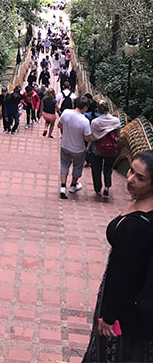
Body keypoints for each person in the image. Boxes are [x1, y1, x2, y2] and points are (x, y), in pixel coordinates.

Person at [82, 150, 153, 362]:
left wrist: (110, 315)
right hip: (125, 295)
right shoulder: (142, 202)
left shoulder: (138, 226)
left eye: (140, 178)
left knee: (113, 352)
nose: (130, 179)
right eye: (131, 171)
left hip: (124, 304)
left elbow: (124, 276)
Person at [59, 96, 92, 199]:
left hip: (65, 145)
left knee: (64, 164)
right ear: (85, 108)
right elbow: (87, 138)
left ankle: (63, 187)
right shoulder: (85, 121)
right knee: (77, 167)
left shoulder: (66, 113)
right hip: (78, 149)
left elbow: (59, 126)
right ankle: (73, 185)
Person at [89, 103, 122, 198]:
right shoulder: (115, 120)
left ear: (98, 110)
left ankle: (98, 189)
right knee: (108, 169)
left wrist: (88, 148)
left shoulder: (95, 122)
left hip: (97, 149)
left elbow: (93, 137)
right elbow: (118, 136)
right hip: (110, 148)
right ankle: (107, 186)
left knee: (96, 169)